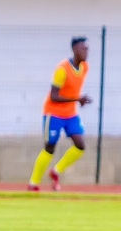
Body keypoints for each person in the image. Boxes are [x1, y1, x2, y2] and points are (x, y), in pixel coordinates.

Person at [28, 37, 92, 192]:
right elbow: (54, 96)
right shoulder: (62, 69)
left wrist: (78, 100)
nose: (86, 52)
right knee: (50, 147)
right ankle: (33, 183)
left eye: (87, 49)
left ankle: (55, 172)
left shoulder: (85, 67)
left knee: (80, 145)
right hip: (53, 113)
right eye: (83, 48)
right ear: (75, 50)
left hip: (70, 114)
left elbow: (72, 90)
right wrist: (78, 99)